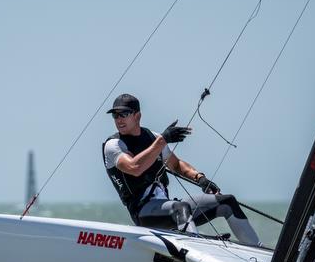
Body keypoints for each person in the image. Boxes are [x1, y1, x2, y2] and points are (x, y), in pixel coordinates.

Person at [102, 93, 262, 247]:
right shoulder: (114, 145)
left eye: (124, 114)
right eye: (115, 115)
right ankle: (196, 249)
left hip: (168, 206)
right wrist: (162, 141)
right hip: (143, 211)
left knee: (227, 202)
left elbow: (176, 165)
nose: (119, 119)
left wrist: (200, 178)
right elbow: (134, 168)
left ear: (137, 116)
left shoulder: (152, 137)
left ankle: (257, 252)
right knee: (181, 209)